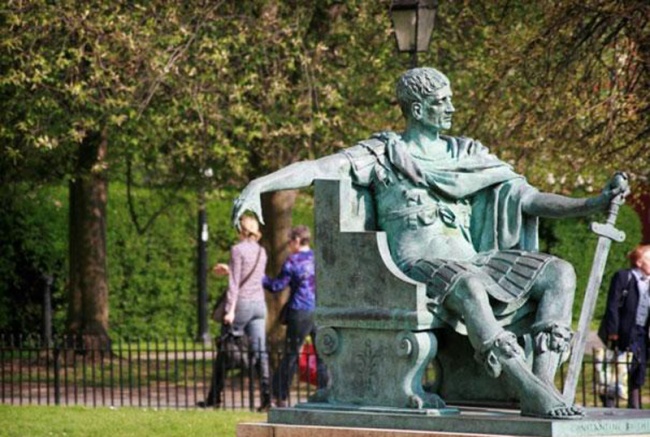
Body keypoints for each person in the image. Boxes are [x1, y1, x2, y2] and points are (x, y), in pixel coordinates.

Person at [230, 67, 628, 419]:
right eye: (442, 101)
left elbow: (528, 198)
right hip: (412, 266)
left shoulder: (467, 154)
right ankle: (525, 385)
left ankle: (540, 385)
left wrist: (591, 203)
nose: (452, 108)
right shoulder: (383, 155)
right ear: (417, 109)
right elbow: (319, 168)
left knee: (559, 272)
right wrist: (259, 185)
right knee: (469, 285)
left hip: (475, 261)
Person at [198, 215, 271, 411]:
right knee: (261, 352)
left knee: (225, 349)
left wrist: (230, 310)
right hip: (259, 305)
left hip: (242, 305)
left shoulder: (237, 250)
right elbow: (255, 277)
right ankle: (267, 398)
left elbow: (234, 285)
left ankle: (214, 397)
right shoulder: (261, 251)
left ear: (241, 230)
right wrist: (230, 269)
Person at [263, 225, 329, 407]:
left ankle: (279, 396)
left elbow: (276, 286)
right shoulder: (319, 258)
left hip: (300, 311)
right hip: (319, 311)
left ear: (297, 241)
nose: (289, 246)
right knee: (322, 354)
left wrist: (259, 277)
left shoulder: (293, 261)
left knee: (291, 354)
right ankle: (325, 392)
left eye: (289, 242)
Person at [599, 244, 650, 408]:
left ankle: (634, 407)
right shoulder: (624, 276)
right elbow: (612, 305)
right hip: (624, 330)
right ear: (639, 262)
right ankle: (610, 406)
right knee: (617, 368)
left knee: (638, 368)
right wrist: (613, 331)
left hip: (642, 331)